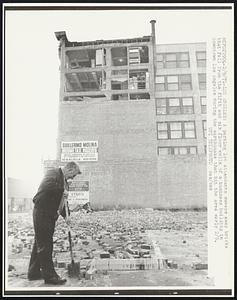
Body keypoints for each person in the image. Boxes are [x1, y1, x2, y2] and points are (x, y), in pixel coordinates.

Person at [27, 161, 81, 285]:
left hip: (49, 215)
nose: (73, 178)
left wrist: (67, 216)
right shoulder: (52, 173)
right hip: (42, 212)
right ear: (69, 169)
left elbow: (62, 202)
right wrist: (62, 189)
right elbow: (47, 186)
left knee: (39, 243)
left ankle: (33, 272)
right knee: (46, 245)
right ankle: (50, 276)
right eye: (73, 175)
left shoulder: (64, 182)